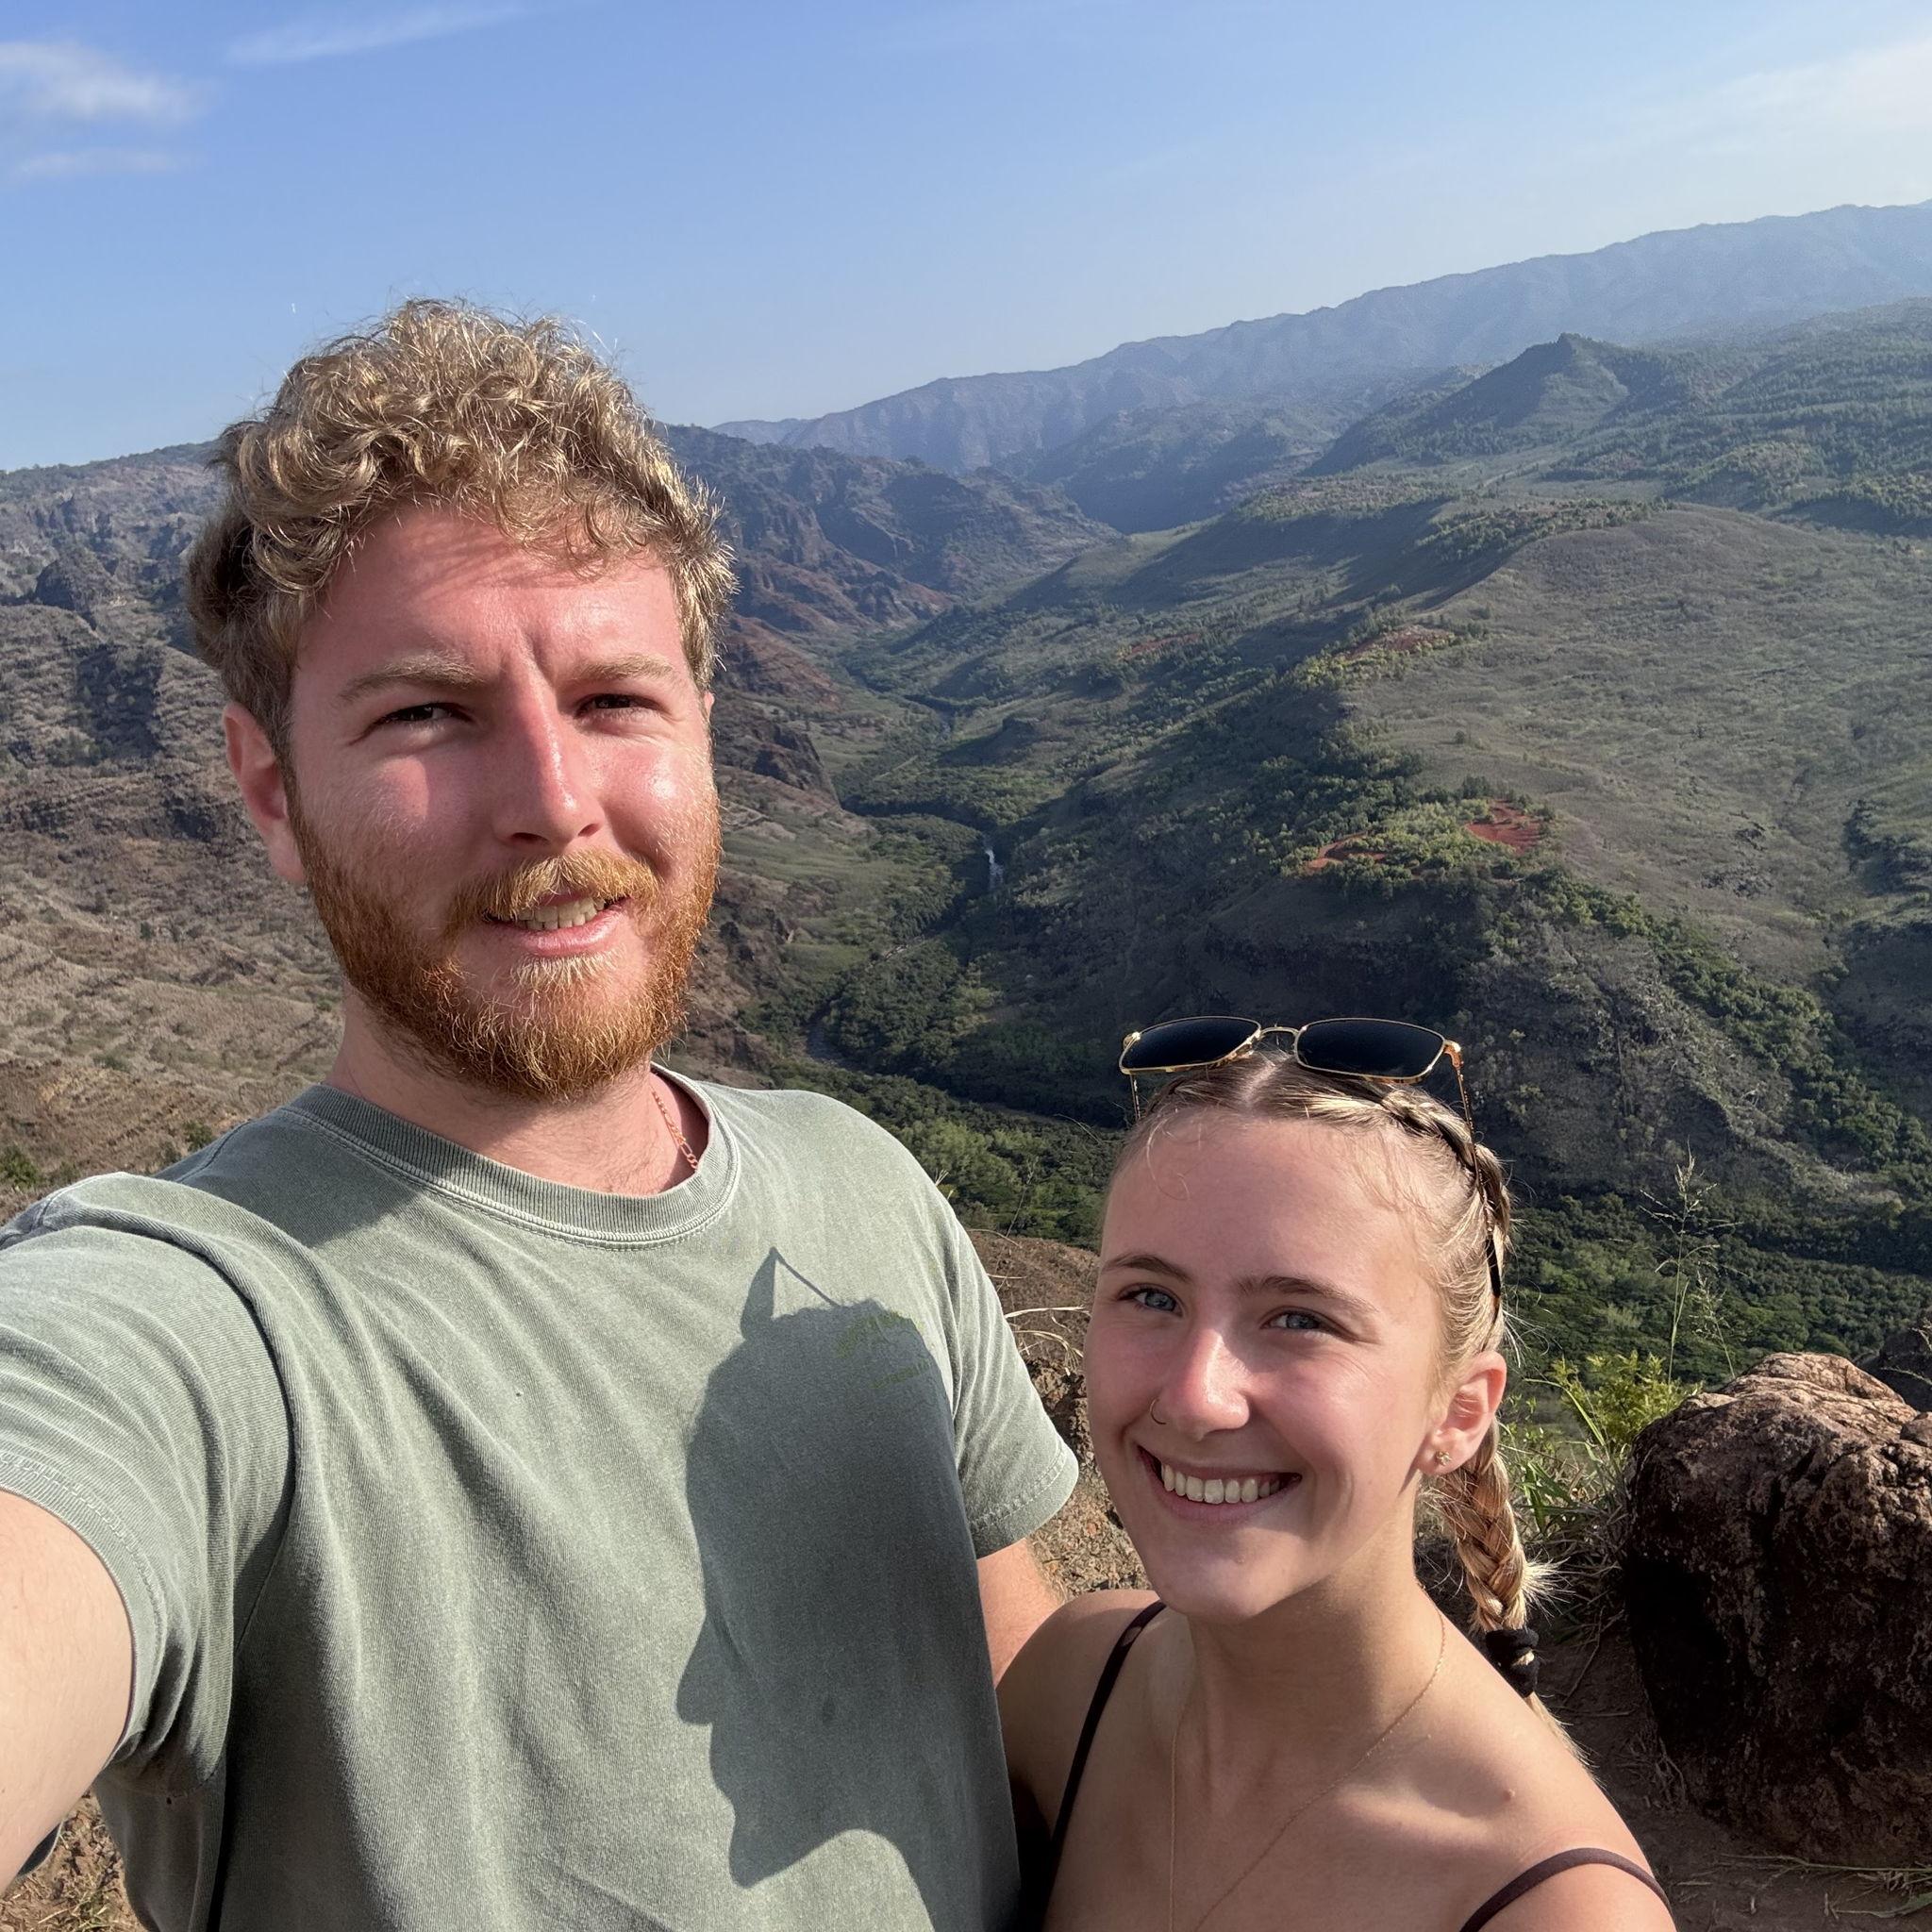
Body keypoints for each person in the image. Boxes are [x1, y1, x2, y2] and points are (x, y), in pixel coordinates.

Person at [0, 301, 1075, 1930]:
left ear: (706, 730)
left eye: (614, 699)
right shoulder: (185, 1324)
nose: (555, 799)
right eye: (426, 711)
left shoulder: (861, 1190)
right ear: (271, 788)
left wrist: (1435, 1754)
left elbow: (1023, 1675)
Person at [1000, 1025, 1675, 1930]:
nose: (1198, 1398)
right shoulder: (1072, 1687)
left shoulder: (1551, 1908)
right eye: (1152, 1297)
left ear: (1460, 1412)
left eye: (1300, 1319)